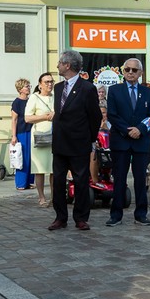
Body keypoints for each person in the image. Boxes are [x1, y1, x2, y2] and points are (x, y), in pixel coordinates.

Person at [48, 50, 102, 232]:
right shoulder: (58, 88)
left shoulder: (87, 88)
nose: (57, 65)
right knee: (58, 181)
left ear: (67, 65)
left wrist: (90, 139)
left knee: (80, 182)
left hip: (79, 143)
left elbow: (95, 117)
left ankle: (81, 217)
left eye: (59, 62)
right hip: (60, 143)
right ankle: (60, 217)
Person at [106, 57, 150, 227]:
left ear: (140, 73)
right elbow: (112, 115)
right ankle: (116, 215)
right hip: (121, 141)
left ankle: (141, 214)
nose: (130, 73)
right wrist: (128, 130)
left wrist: (140, 129)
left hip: (141, 142)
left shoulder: (148, 92)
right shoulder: (114, 90)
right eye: (127, 69)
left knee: (141, 180)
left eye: (134, 70)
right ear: (123, 71)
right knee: (119, 179)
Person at [25, 72, 55, 207]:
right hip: (40, 135)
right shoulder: (34, 97)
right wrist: (45, 117)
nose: (50, 84)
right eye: (47, 82)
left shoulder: (55, 97)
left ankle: (55, 197)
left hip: (55, 135)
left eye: (51, 81)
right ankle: (41, 197)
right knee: (40, 168)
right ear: (40, 84)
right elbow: (27, 118)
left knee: (54, 168)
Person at [10, 78, 33, 190]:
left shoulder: (31, 100)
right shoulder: (17, 102)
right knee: (22, 157)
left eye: (29, 86)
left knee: (31, 157)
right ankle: (21, 183)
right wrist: (14, 136)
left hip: (31, 131)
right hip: (22, 132)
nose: (28, 88)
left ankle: (29, 181)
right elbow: (14, 120)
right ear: (20, 89)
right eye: (26, 86)